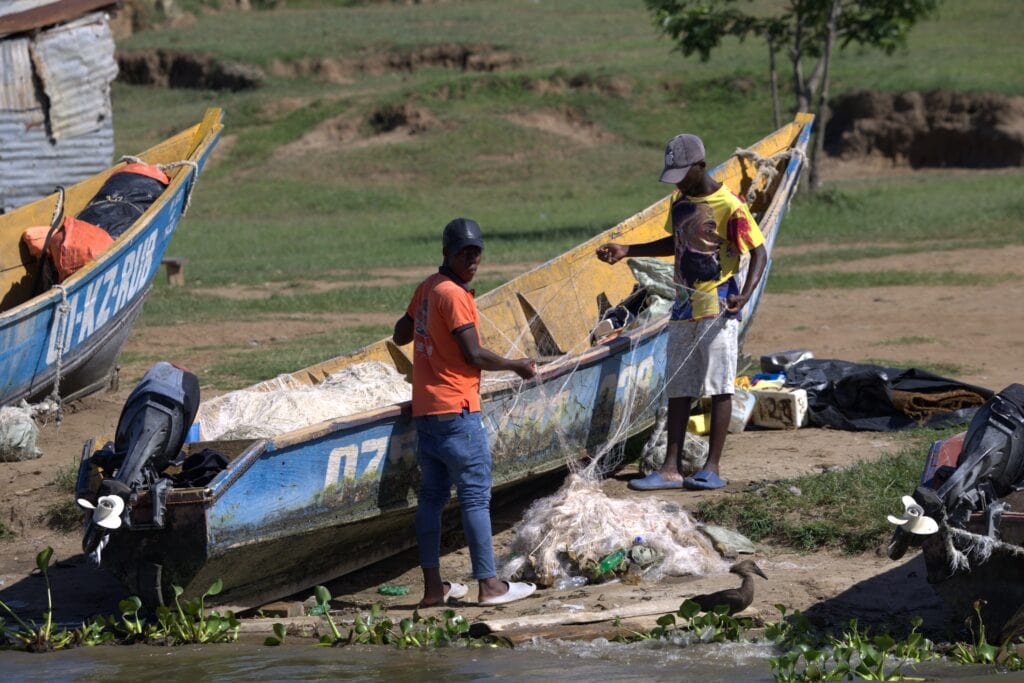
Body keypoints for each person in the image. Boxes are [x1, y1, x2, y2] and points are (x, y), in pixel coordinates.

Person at [595, 133, 767, 491]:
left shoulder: (729, 205)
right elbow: (674, 243)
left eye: (684, 174)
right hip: (683, 307)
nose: (680, 182)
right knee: (678, 386)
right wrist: (628, 249)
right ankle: (670, 468)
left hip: (718, 305)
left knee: (719, 385)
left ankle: (712, 467)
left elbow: (760, 253)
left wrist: (745, 295)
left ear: (702, 166)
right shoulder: (680, 201)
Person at [393, 217, 539, 606]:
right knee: (475, 497)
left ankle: (431, 591)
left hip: (427, 413)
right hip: (457, 411)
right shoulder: (454, 295)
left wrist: (424, 328)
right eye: (464, 252)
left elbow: (400, 334)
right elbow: (473, 354)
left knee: (431, 499)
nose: (472, 259)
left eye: (477, 251)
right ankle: (490, 586)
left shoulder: (428, 288)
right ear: (447, 253)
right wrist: (516, 365)